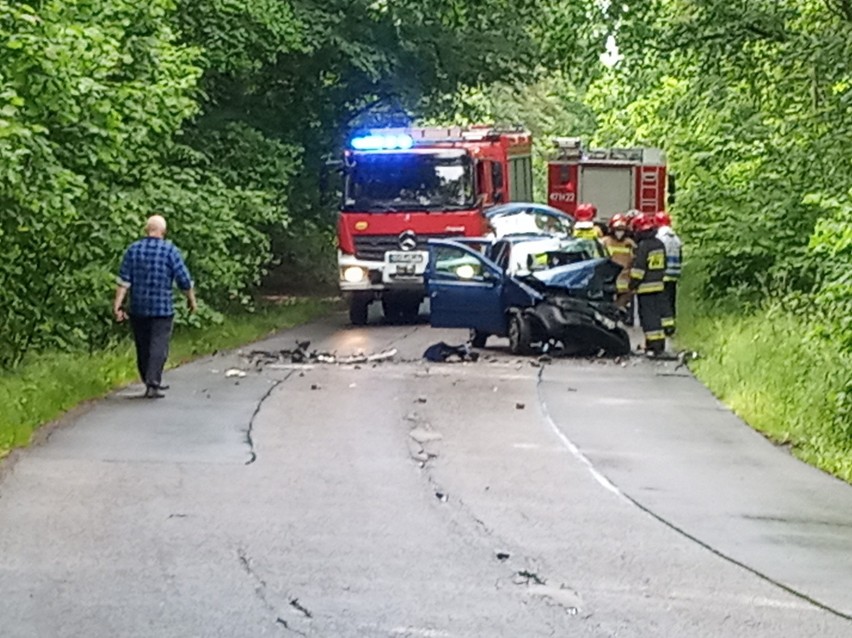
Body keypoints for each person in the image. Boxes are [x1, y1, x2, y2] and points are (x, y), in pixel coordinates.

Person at [113, 215, 197, 398]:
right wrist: (191, 300)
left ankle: (147, 379)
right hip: (162, 308)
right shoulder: (170, 251)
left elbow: (124, 281)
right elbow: (184, 279)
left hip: (138, 307)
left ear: (146, 230)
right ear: (163, 231)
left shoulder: (133, 250)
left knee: (143, 345)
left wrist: (117, 305)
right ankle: (153, 382)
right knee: (159, 345)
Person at [628, 213, 667, 355]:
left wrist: (632, 284)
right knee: (656, 316)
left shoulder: (643, 246)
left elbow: (639, 269)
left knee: (648, 317)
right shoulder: (660, 244)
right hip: (659, 285)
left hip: (645, 288)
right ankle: (659, 344)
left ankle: (653, 346)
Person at [655, 210, 682, 335]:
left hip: (663, 274)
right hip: (674, 274)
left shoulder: (660, 237)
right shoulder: (676, 238)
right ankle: (672, 325)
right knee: (671, 300)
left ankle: (664, 326)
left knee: (662, 301)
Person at [601, 214, 636, 311]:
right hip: (608, 280)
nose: (619, 232)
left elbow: (635, 260)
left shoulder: (630, 243)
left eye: (622, 229)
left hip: (625, 282)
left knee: (622, 308)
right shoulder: (604, 242)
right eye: (617, 229)